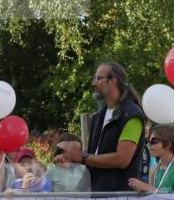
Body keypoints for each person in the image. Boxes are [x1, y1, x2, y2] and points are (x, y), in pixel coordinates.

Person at [56, 62, 147, 192]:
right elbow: (95, 154)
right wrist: (71, 156)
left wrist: (82, 157)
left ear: (112, 81)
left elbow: (122, 159)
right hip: (97, 195)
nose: (93, 83)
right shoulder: (99, 116)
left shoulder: (131, 115)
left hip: (119, 197)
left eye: (98, 78)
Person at [128, 125, 174, 194]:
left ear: (168, 145)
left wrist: (149, 188)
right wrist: (143, 190)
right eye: (149, 140)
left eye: (154, 141)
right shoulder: (153, 169)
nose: (149, 144)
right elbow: (153, 196)